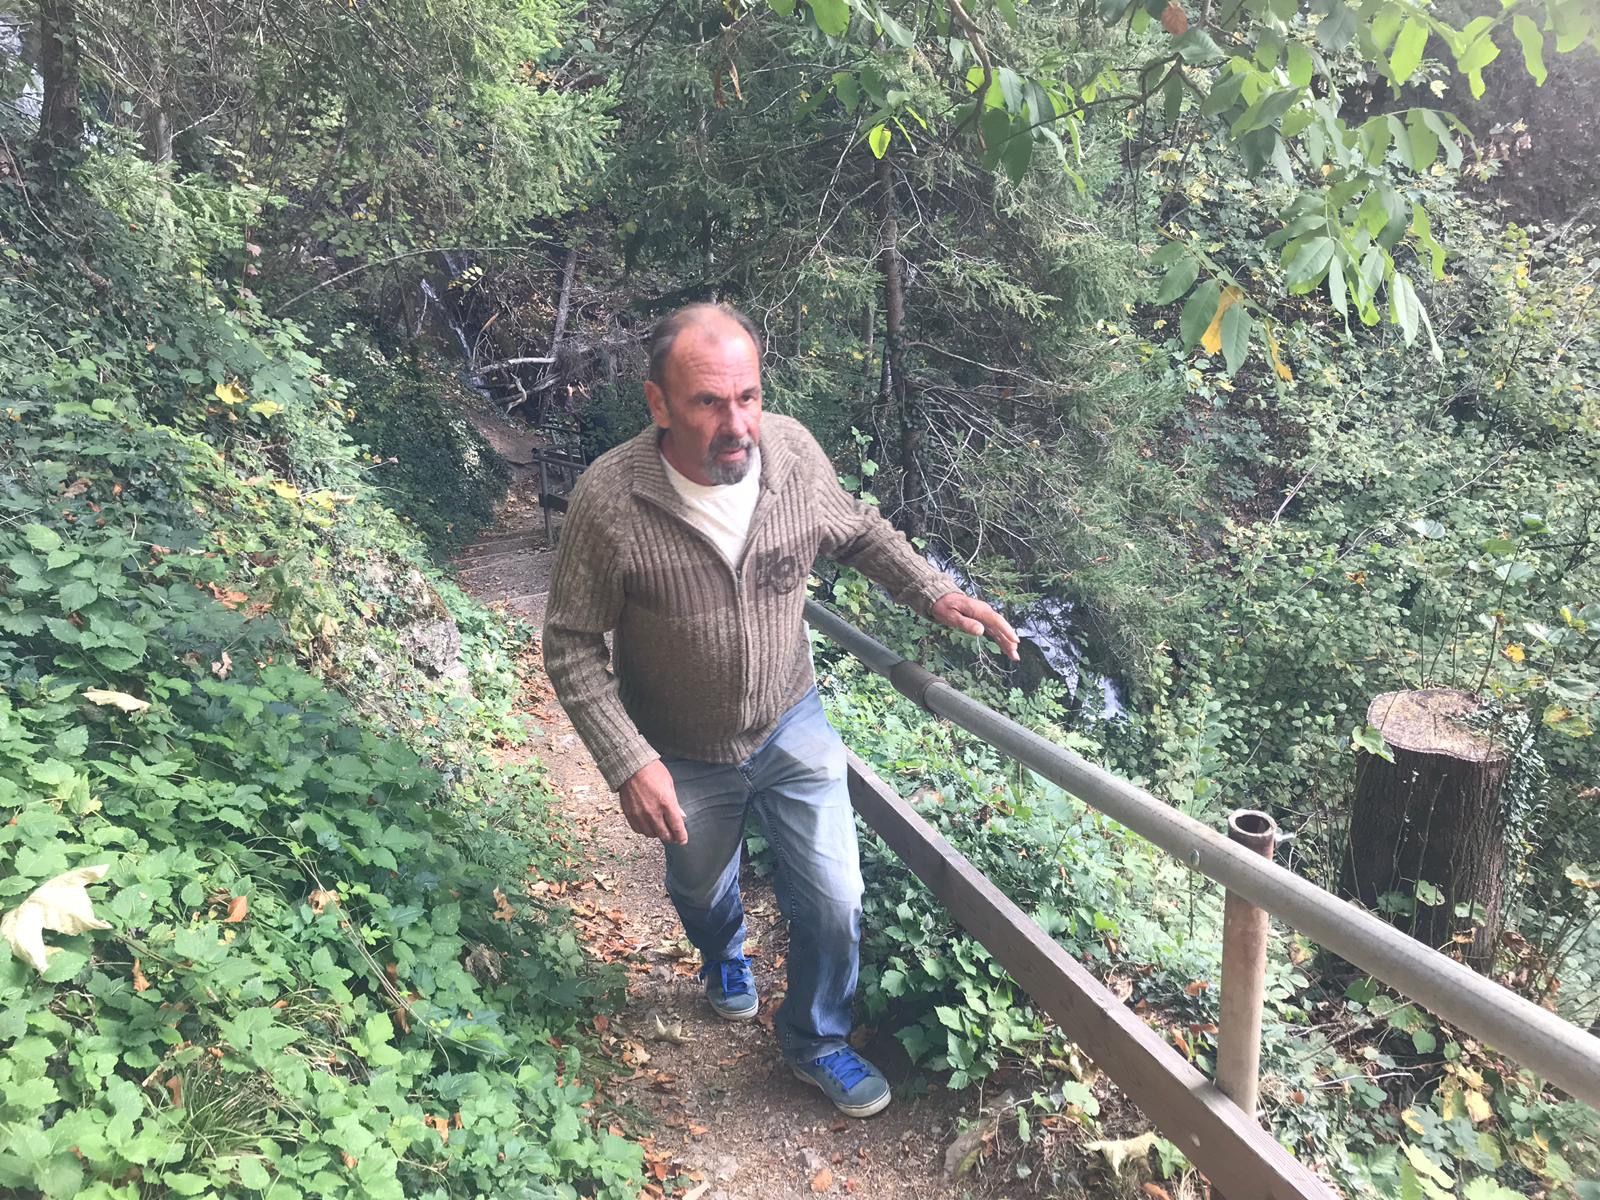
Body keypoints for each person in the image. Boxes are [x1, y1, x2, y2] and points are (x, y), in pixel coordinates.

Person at [543, 302, 1018, 1118]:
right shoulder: (611, 500)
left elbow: (857, 531)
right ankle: (723, 949)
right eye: (708, 402)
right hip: (679, 748)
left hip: (789, 721)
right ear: (658, 403)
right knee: (698, 888)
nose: (738, 426)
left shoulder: (792, 454)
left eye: (749, 397)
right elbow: (571, 644)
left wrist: (933, 592)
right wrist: (629, 760)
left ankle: (816, 1039)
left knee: (835, 897)